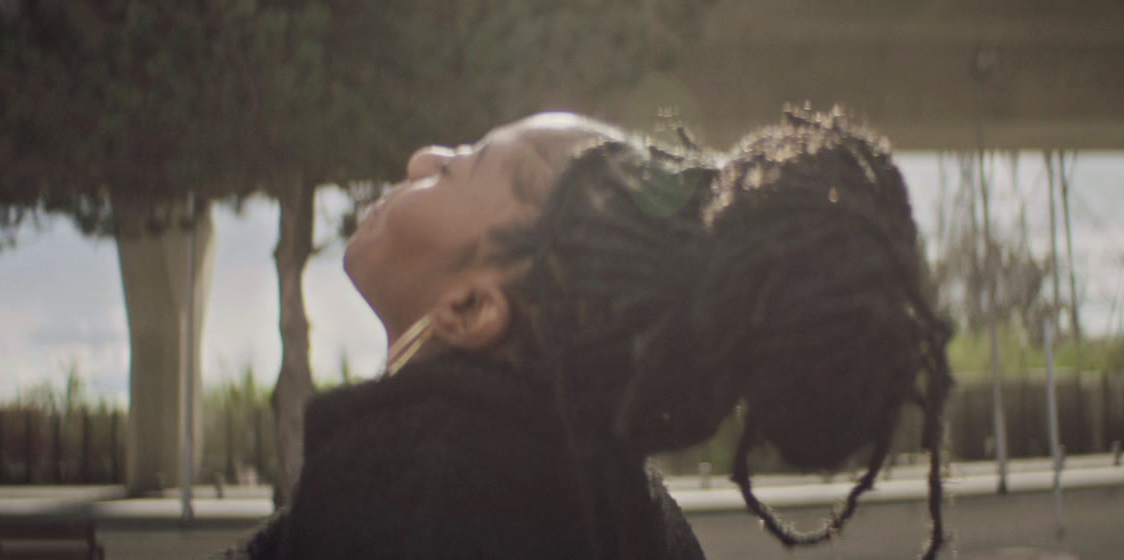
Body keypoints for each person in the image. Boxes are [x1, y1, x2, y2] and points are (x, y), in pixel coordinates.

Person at [225, 109, 952, 559]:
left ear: (473, 309)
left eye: (458, 168)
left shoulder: (404, 492)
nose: (422, 159)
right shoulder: (635, 516)